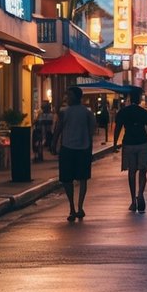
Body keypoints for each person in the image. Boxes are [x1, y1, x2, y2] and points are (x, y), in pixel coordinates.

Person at [52, 86, 96, 221]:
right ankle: (72, 207)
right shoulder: (65, 112)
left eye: (70, 96)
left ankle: (79, 206)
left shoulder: (87, 113)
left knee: (82, 179)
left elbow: (90, 131)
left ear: (78, 97)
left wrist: (89, 147)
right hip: (69, 148)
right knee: (67, 180)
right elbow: (58, 129)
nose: (68, 98)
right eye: (67, 96)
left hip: (81, 148)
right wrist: (54, 143)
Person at [113, 88, 147, 212]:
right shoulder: (145, 113)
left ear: (129, 98)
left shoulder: (123, 112)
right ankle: (141, 194)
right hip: (142, 143)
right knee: (143, 171)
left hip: (128, 143)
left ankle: (133, 200)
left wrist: (114, 143)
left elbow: (117, 128)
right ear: (138, 99)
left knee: (132, 172)